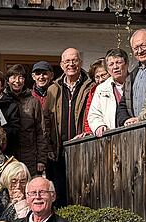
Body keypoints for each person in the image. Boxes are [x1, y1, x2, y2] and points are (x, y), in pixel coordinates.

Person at [45, 48, 94, 207]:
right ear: (61, 65)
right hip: (58, 153)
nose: (71, 64)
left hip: (83, 151)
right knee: (59, 196)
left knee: (83, 194)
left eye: (74, 60)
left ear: (80, 62)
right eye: (67, 61)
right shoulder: (53, 89)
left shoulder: (90, 86)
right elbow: (46, 120)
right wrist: (49, 147)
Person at [5, 64, 48, 175]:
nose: (17, 81)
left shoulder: (33, 102)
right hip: (8, 155)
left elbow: (41, 131)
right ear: (8, 80)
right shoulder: (4, 100)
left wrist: (41, 159)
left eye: (21, 77)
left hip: (29, 156)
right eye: (13, 77)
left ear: (24, 80)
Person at [117, 28, 146, 126]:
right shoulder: (132, 75)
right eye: (135, 48)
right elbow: (123, 104)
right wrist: (125, 120)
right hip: (136, 130)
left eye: (143, 45)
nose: (140, 51)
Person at [87, 49, 129, 137]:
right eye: (111, 64)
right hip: (110, 137)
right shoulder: (101, 89)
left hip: (135, 134)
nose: (115, 67)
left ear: (126, 63)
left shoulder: (136, 82)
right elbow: (94, 114)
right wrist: (99, 125)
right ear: (108, 69)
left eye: (118, 62)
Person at [79, 58, 108, 136]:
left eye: (104, 75)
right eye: (97, 77)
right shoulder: (93, 92)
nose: (101, 80)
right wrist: (89, 132)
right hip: (99, 133)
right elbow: (89, 115)